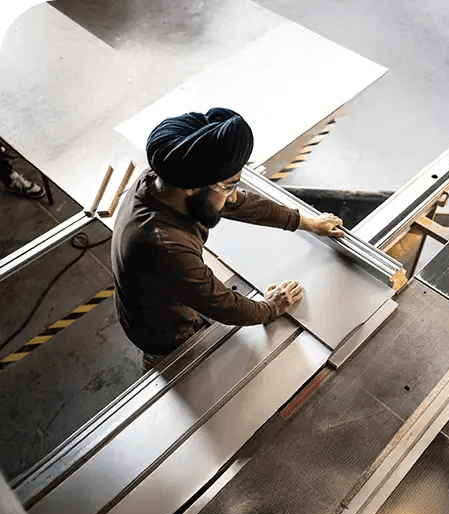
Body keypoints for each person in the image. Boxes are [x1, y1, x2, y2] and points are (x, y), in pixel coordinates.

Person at [111, 108, 344, 371]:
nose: (233, 196)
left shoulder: (162, 180)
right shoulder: (164, 245)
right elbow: (222, 305)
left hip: (157, 298)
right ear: (192, 187)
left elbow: (238, 204)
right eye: (229, 186)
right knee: (183, 382)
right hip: (166, 335)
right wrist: (271, 307)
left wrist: (309, 223)